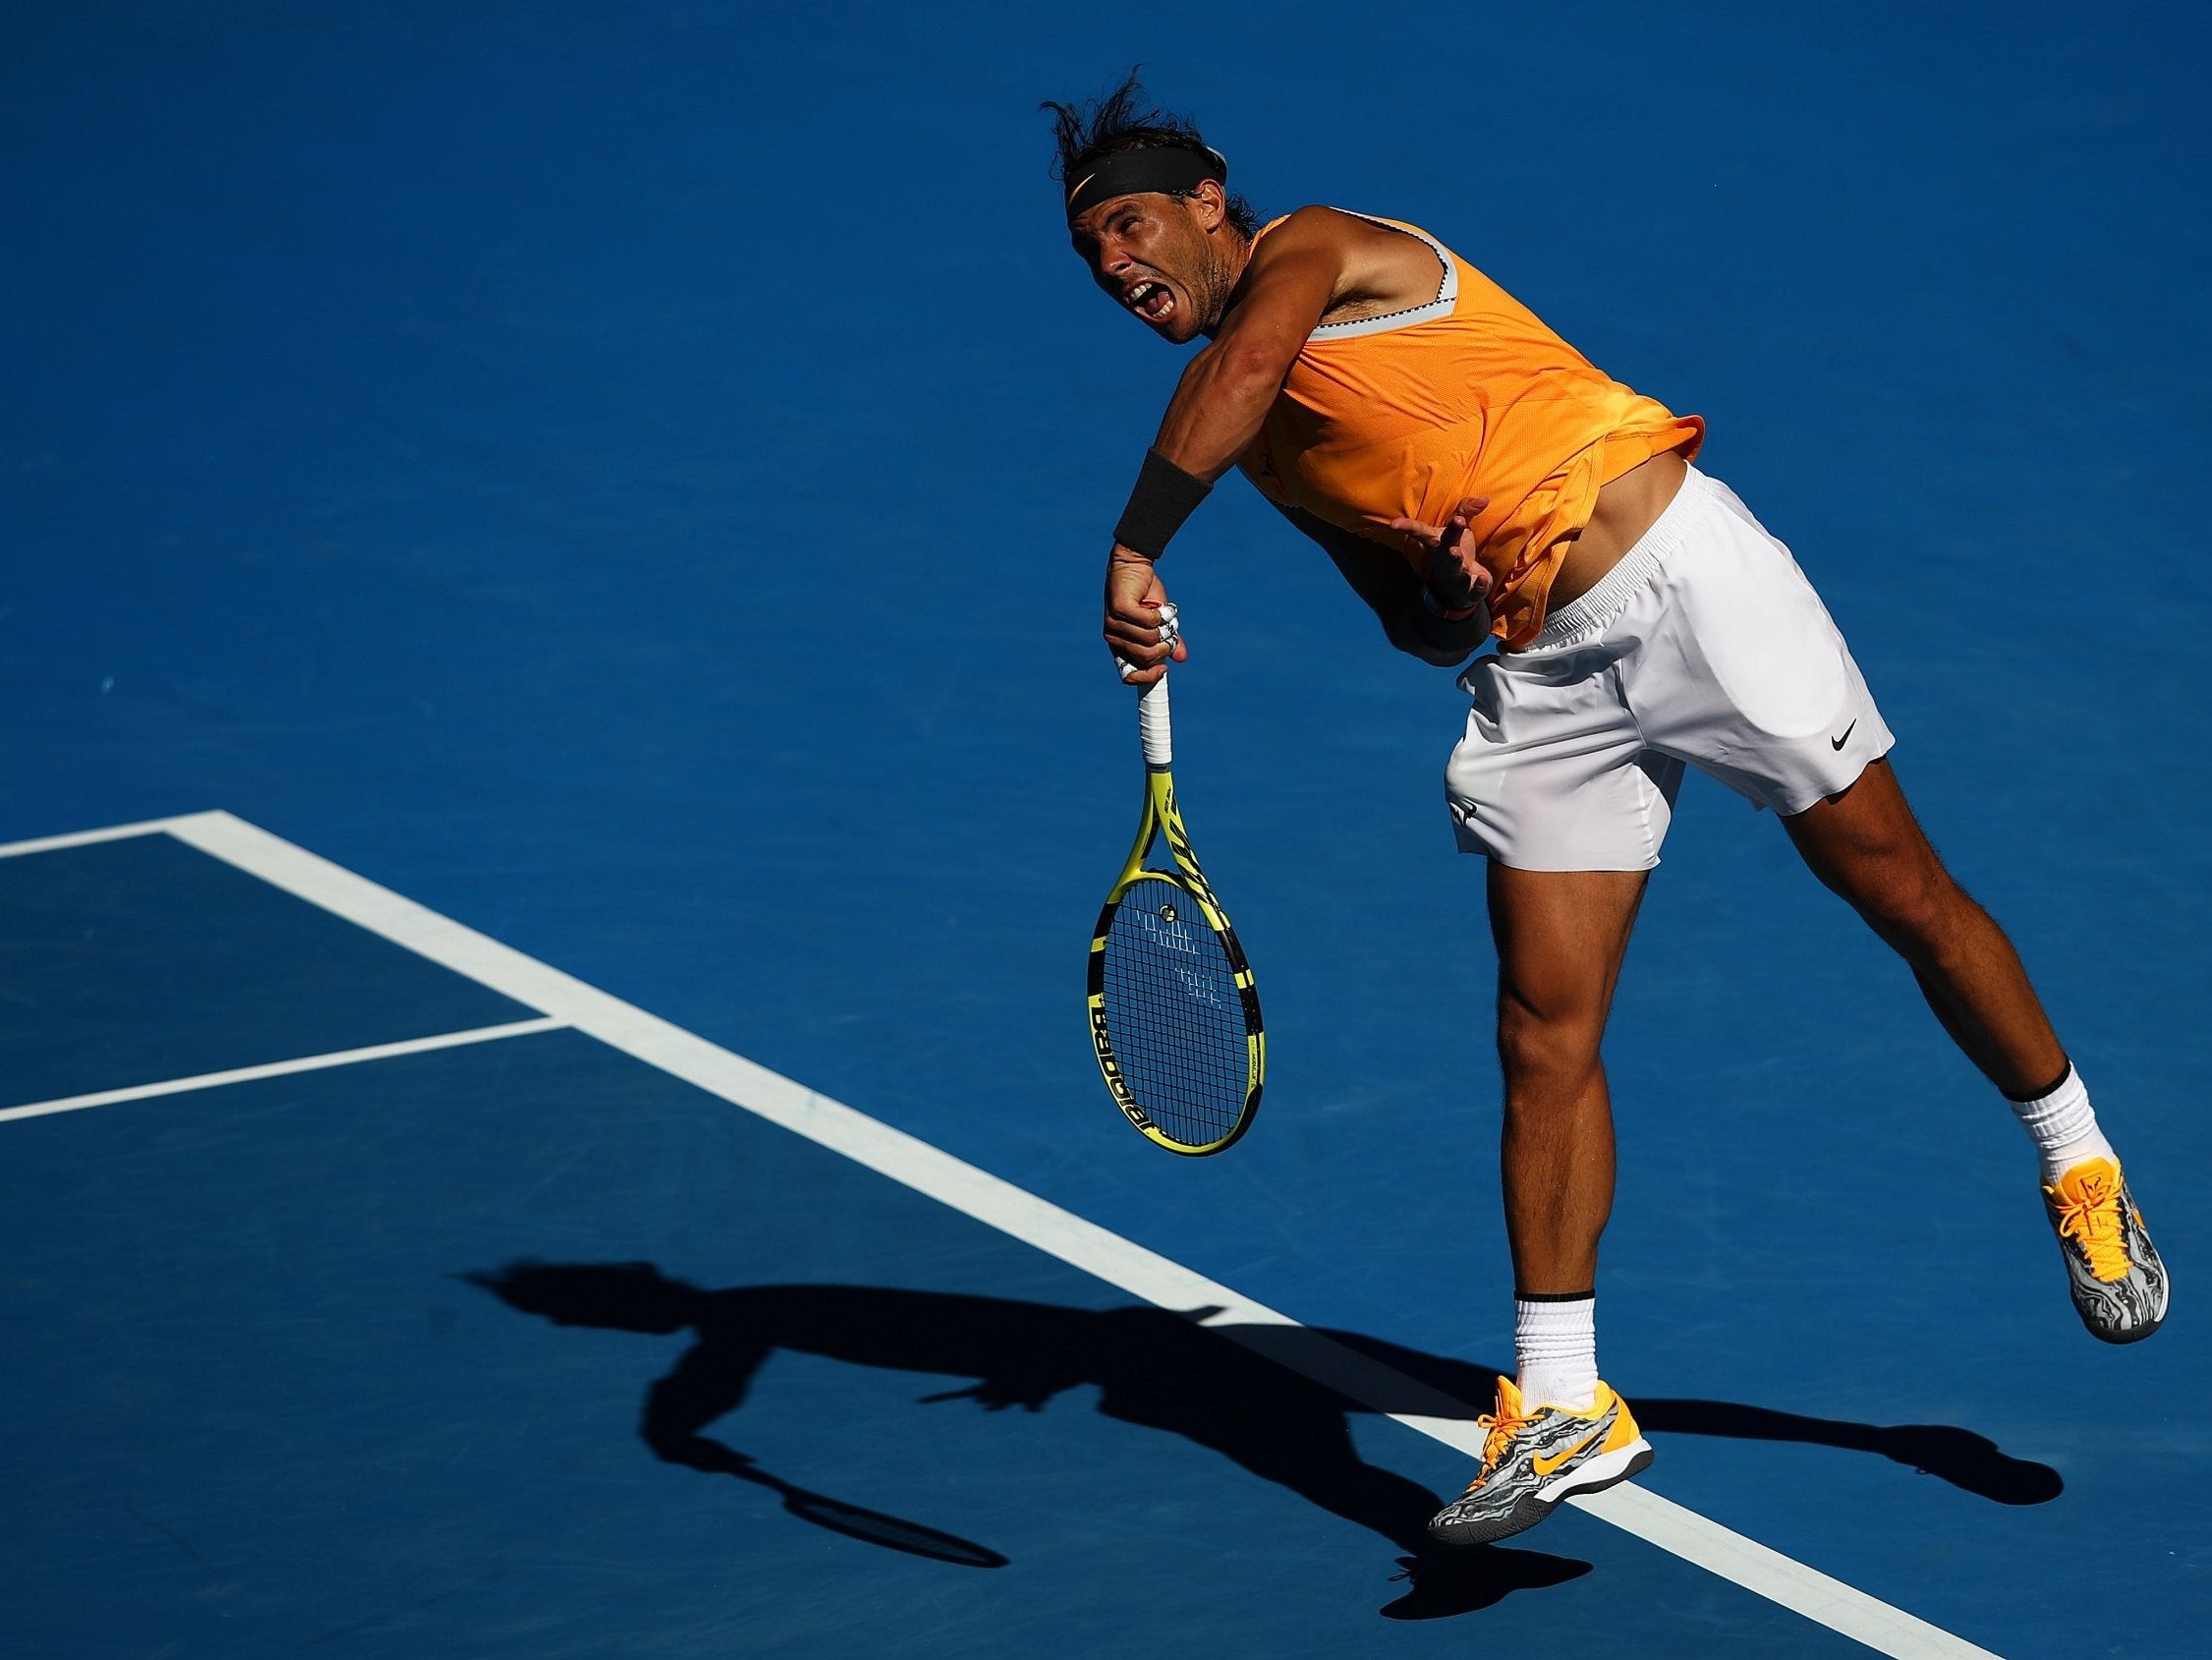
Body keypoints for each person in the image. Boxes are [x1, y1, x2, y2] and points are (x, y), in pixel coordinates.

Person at [1043, 74, 2167, 1549]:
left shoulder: (1317, 247)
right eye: (1088, 255)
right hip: (1543, 678)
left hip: (1689, 587)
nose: (1116, 266)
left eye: (1128, 223)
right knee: (1540, 1029)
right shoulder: (1259, 449)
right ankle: (1566, 1394)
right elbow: (1414, 625)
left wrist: (1134, 547)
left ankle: (2076, 1158)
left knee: (1901, 893)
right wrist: (1444, 591)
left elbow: (1251, 361)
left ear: (1207, 203)